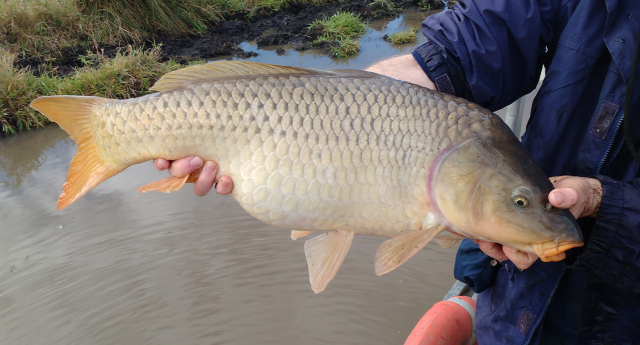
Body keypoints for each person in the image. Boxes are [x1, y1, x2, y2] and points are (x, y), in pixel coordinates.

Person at [154, 0, 640, 343]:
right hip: (515, 308)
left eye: (520, 203)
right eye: (518, 201)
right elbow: (498, 25)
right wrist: (416, 70)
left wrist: (609, 206)